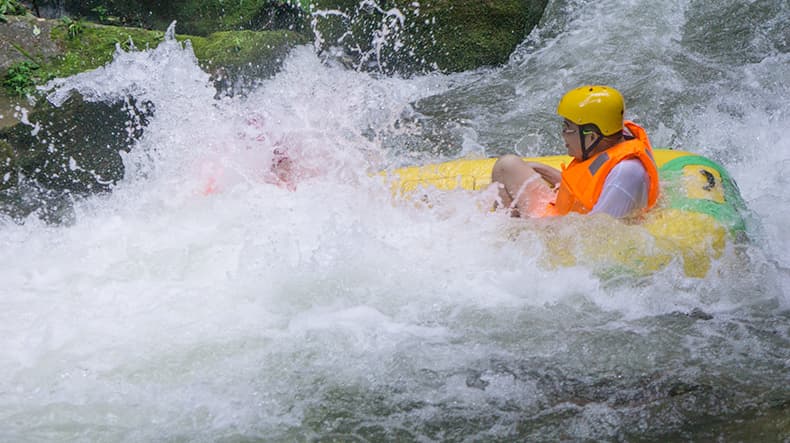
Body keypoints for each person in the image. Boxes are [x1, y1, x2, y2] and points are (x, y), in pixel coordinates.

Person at [491, 85, 660, 218]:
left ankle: (508, 239)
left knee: (506, 165)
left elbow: (596, 234)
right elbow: (589, 187)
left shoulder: (627, 173)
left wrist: (519, 230)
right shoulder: (618, 141)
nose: (563, 134)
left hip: (570, 240)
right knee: (510, 167)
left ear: (592, 136)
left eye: (568, 128)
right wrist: (544, 170)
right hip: (572, 218)